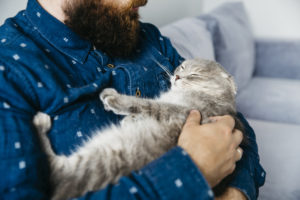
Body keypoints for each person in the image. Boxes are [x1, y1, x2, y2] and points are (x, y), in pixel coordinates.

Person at [0, 0, 265, 199]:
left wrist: (234, 194)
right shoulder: (10, 69)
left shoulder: (151, 40)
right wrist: (192, 171)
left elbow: (230, 120)